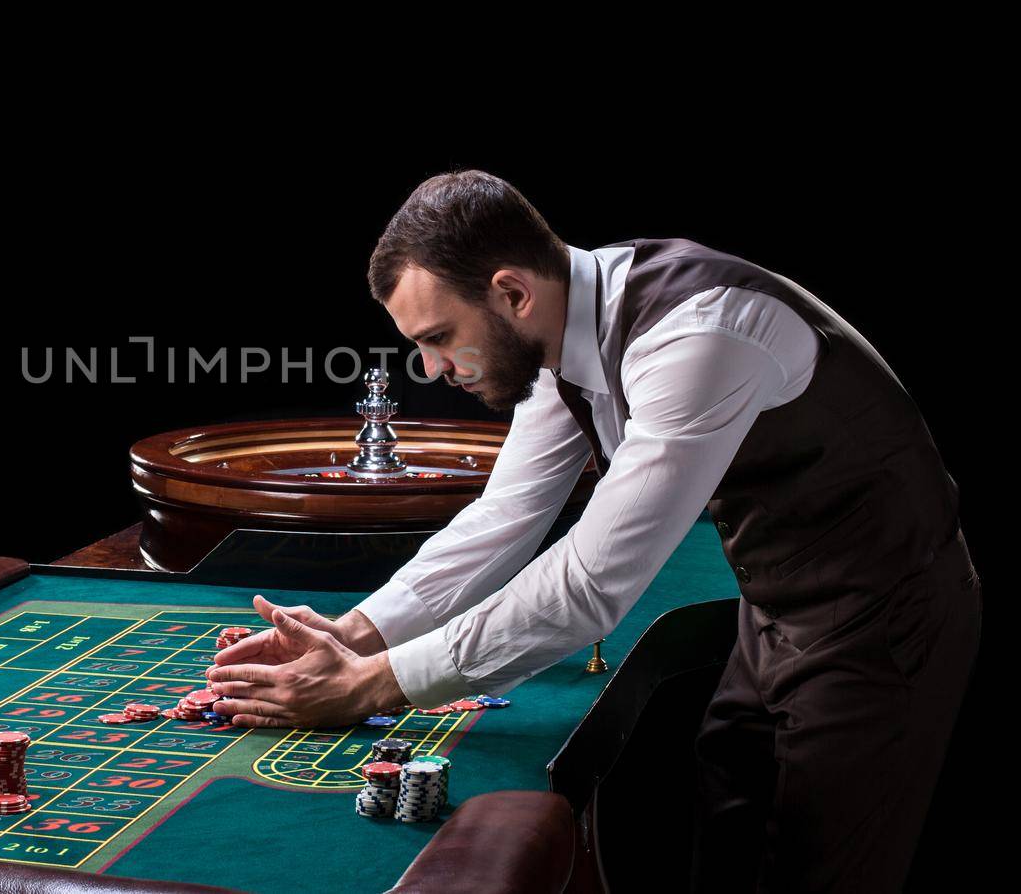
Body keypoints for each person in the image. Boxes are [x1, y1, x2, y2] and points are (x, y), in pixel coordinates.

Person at [207, 169, 980, 891]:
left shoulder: (698, 337)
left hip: (887, 614)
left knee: (815, 871)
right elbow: (504, 515)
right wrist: (357, 633)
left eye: (439, 336)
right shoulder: (559, 324)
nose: (434, 368)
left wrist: (370, 687)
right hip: (776, 608)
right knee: (725, 840)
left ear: (510, 292)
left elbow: (589, 583)